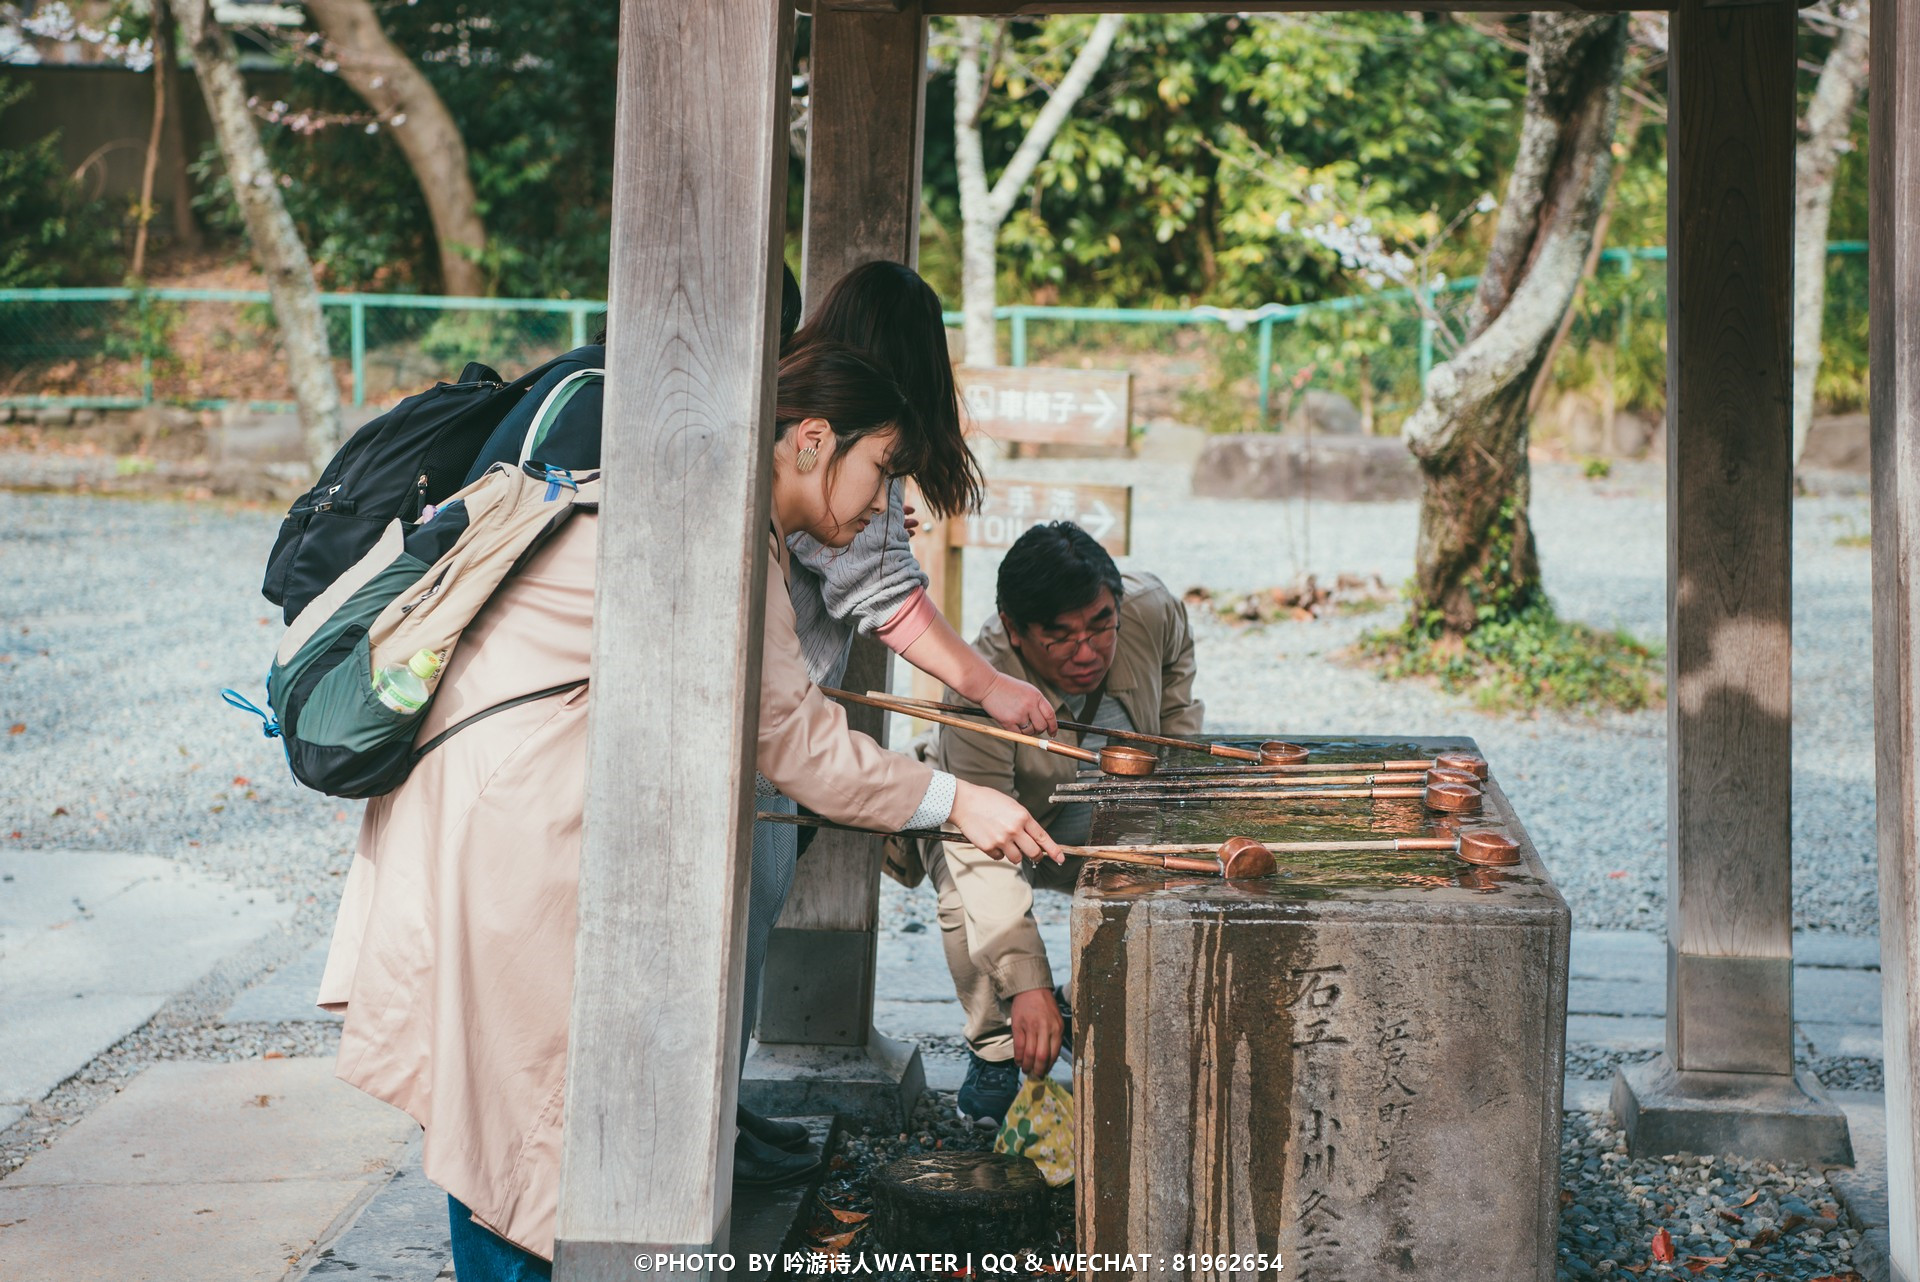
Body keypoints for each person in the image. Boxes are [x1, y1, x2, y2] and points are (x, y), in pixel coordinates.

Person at [315, 340, 1063, 1280]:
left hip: (492, 807)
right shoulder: (719, 533)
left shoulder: (711, 502)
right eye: (879, 469)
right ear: (811, 440)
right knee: (525, 1119)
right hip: (510, 824)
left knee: (510, 1109)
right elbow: (794, 742)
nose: (883, 505)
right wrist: (958, 801)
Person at [915, 521, 1203, 1127]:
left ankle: (1075, 1013)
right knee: (959, 887)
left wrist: (1174, 755)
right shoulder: (975, 682)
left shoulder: (1150, 607)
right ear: (1015, 631)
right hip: (990, 810)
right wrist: (1027, 985)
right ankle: (995, 1048)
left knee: (1175, 868)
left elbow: (1177, 666)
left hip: (1098, 798)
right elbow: (981, 849)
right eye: (1060, 637)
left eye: (1101, 626)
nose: (1087, 651)